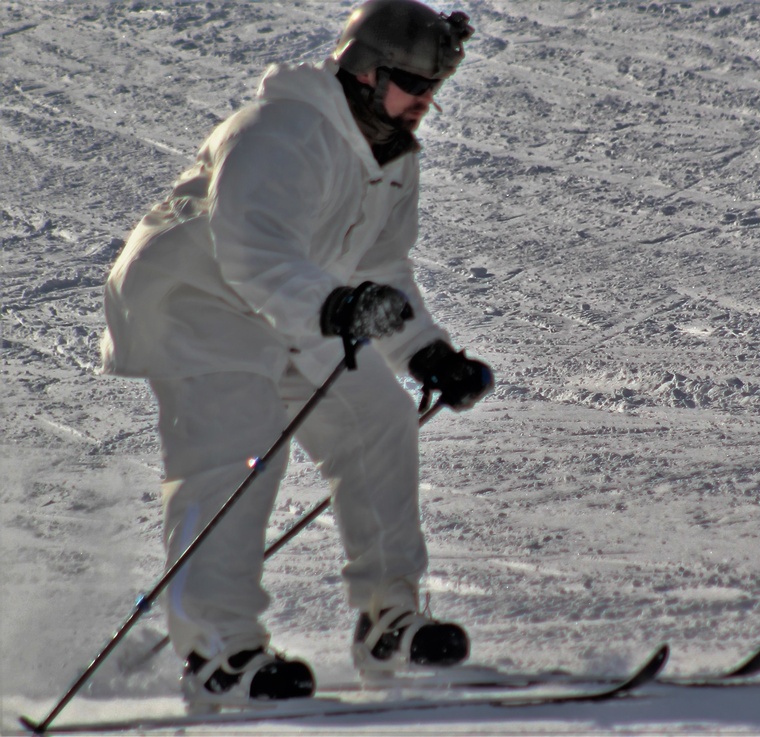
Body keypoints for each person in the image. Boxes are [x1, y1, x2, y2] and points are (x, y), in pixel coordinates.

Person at [100, 0, 492, 709]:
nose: (424, 102)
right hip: (197, 298)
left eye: (432, 88)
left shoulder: (392, 156)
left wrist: (426, 352)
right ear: (367, 72)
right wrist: (337, 307)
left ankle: (389, 620)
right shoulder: (282, 131)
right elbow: (252, 252)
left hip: (293, 302)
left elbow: (382, 266)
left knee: (380, 416)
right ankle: (219, 652)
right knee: (240, 448)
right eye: (412, 82)